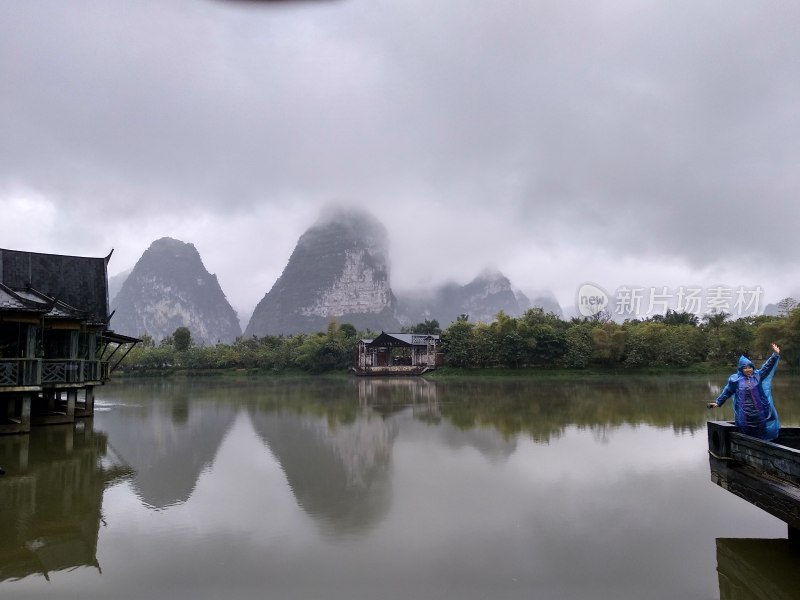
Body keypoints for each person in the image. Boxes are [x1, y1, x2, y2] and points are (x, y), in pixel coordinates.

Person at [708, 343, 781, 440]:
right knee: (745, 430)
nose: (748, 370)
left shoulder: (757, 376)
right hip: (744, 413)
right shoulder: (735, 380)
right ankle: (748, 445)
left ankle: (762, 445)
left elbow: (767, 367)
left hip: (760, 410)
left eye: (750, 367)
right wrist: (718, 402)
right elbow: (727, 392)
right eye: (745, 368)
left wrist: (775, 355)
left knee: (762, 428)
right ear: (741, 369)